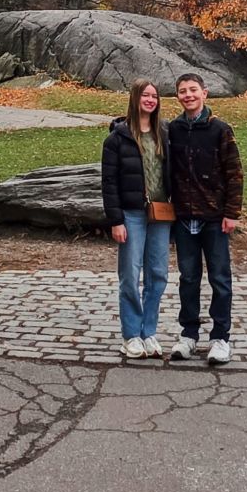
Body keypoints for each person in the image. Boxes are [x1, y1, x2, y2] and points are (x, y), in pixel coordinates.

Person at [168, 72, 243, 365]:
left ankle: (220, 337)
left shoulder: (220, 129)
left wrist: (231, 213)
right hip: (184, 217)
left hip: (214, 217)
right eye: (183, 91)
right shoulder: (173, 129)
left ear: (204, 93)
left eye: (193, 90)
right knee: (188, 278)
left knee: (220, 278)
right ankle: (188, 334)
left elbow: (234, 173)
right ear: (178, 96)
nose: (188, 95)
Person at [101, 78, 173, 359]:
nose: (150, 100)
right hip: (131, 214)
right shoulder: (117, 138)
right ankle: (131, 335)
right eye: (145, 95)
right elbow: (109, 183)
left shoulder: (164, 133)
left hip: (160, 213)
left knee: (158, 274)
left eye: (154, 96)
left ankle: (148, 332)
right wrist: (115, 220)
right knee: (130, 276)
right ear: (135, 98)